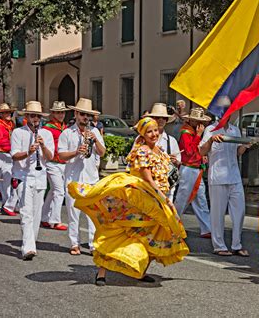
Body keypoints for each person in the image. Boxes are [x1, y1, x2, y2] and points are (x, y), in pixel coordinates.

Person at [68, 117, 189, 285]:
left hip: (156, 200)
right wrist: (165, 199)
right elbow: (148, 179)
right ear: (143, 134)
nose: (154, 134)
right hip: (141, 199)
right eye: (149, 131)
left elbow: (165, 176)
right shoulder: (142, 151)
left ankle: (141, 270)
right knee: (120, 232)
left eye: (155, 130)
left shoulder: (160, 151)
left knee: (154, 234)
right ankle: (101, 272)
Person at [58, 98, 105, 256]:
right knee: (73, 213)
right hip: (74, 179)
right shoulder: (67, 133)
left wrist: (95, 139)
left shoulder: (95, 131)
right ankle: (74, 243)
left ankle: (93, 244)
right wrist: (77, 151)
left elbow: (102, 152)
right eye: (83, 114)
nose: (86, 117)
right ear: (76, 114)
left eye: (88, 115)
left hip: (91, 178)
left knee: (93, 214)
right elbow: (61, 155)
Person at [199, 117, 250, 256]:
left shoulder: (235, 130)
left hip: (234, 175)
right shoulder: (210, 129)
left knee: (239, 211)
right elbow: (202, 151)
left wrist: (245, 145)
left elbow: (237, 152)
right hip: (218, 176)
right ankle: (219, 245)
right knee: (218, 213)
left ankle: (236, 244)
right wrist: (211, 140)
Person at [10, 101, 54, 260]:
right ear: (27, 117)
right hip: (22, 176)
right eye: (33, 116)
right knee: (26, 212)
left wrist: (42, 146)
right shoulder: (18, 133)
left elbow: (50, 157)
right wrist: (28, 152)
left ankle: (31, 243)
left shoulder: (47, 134)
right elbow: (14, 155)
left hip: (40, 177)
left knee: (36, 214)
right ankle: (28, 247)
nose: (36, 119)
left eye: (38, 116)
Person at [174, 108, 211, 238]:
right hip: (188, 168)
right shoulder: (186, 132)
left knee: (201, 199)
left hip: (196, 168)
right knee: (182, 198)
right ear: (191, 120)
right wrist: (199, 136)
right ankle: (172, 223)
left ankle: (206, 228)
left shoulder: (192, 132)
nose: (199, 124)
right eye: (196, 121)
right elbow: (189, 151)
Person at [40, 101, 71, 231]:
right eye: (58, 112)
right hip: (52, 162)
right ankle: (55, 220)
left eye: (62, 112)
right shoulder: (47, 128)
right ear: (53, 113)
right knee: (59, 191)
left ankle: (44, 217)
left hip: (63, 163)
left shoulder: (65, 128)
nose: (61, 115)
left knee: (53, 191)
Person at [143, 103, 181, 201]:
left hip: (166, 186)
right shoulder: (141, 140)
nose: (160, 120)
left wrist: (174, 161)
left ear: (166, 120)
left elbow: (178, 163)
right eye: (157, 117)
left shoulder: (171, 140)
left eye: (163, 118)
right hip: (147, 185)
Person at [0, 103, 17, 209]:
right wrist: (14, 147)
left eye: (9, 112)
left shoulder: (11, 124)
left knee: (7, 178)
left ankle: (6, 203)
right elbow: (0, 142)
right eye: (5, 112)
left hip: (8, 154)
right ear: (1, 115)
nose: (8, 114)